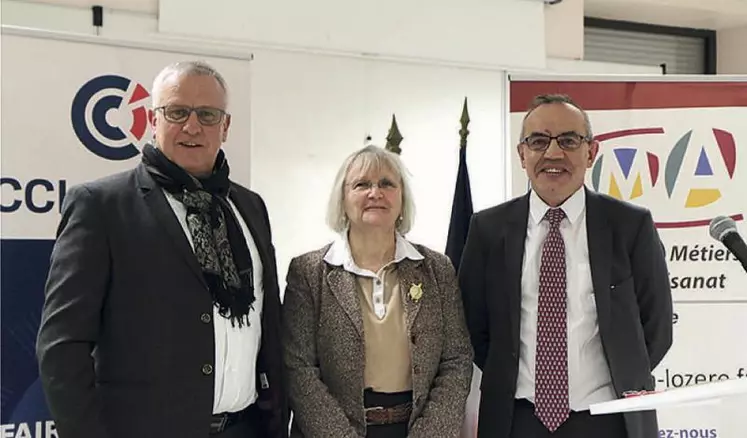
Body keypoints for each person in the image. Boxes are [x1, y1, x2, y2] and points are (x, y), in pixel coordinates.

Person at [36, 61, 288, 438]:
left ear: (226, 126)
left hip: (247, 428)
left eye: (207, 114)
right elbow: (62, 347)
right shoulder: (101, 206)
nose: (192, 126)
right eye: (177, 112)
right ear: (154, 121)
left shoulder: (250, 207)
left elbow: (267, 323)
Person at [459, 94, 673, 438]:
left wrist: (624, 373)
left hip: (610, 421)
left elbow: (656, 327)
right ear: (522, 154)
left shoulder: (631, 225)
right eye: (538, 141)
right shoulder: (487, 230)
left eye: (569, 140)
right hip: (517, 421)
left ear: (591, 152)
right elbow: (474, 327)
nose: (553, 154)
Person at [282, 145, 474, 438]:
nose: (375, 193)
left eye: (387, 184)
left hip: (416, 429)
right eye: (362, 184)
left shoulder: (437, 269)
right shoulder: (309, 272)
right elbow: (298, 368)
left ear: (401, 199)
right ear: (343, 200)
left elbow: (457, 360)